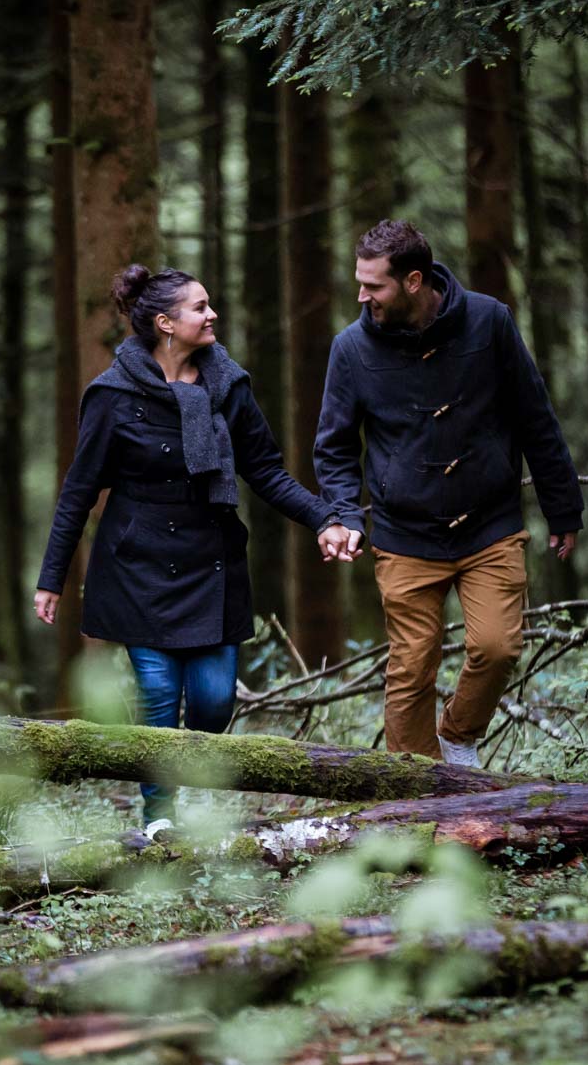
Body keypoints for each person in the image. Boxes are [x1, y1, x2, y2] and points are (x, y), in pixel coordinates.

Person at [36, 264, 357, 827]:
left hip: (212, 562)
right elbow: (78, 492)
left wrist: (324, 519)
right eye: (200, 307)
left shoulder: (228, 385)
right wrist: (50, 578)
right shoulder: (111, 396)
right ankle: (159, 816)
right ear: (165, 323)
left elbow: (267, 472)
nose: (213, 316)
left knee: (212, 701)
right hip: (138, 566)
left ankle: (193, 775)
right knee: (159, 694)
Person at [313, 220, 584, 769]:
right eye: (359, 284)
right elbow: (335, 447)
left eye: (374, 286)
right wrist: (345, 515)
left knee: (497, 646)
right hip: (404, 532)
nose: (362, 297)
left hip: (490, 523)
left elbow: (536, 418)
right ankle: (412, 798)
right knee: (412, 666)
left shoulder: (489, 322)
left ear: (414, 280)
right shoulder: (351, 348)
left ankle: (459, 738)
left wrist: (563, 506)